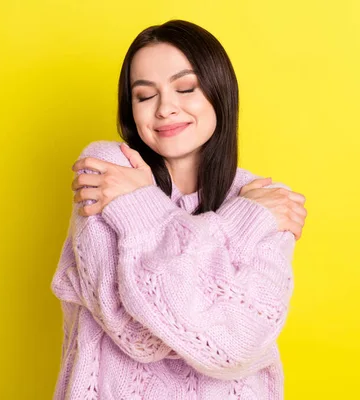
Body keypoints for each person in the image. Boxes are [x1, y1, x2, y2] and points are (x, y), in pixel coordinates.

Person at [51, 19, 307, 399]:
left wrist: (137, 204)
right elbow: (137, 334)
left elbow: (238, 346)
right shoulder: (107, 170)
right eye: (144, 95)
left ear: (219, 93)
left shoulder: (266, 199)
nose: (165, 109)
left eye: (185, 88)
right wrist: (241, 223)